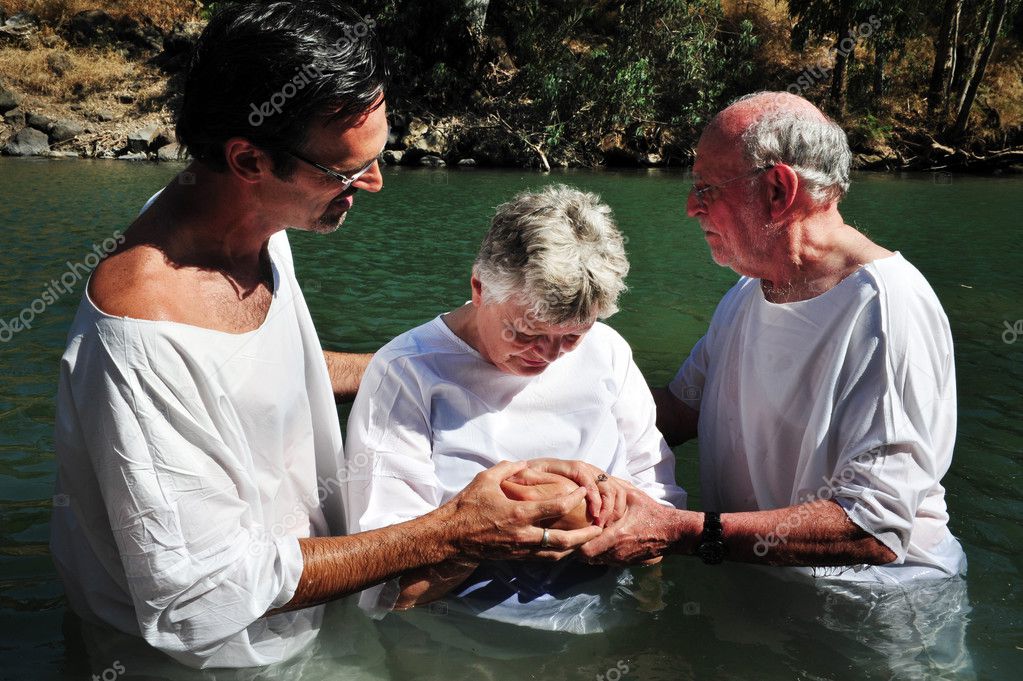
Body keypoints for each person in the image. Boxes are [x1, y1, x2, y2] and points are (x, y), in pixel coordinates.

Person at [49, 2, 604, 669]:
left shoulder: (249, 223)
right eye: (346, 171)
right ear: (248, 158)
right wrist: (451, 532)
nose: (374, 182)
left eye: (377, 155)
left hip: (311, 612)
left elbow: (255, 374)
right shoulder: (140, 340)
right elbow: (198, 597)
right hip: (215, 663)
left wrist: (428, 364)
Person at [576, 91, 967, 585]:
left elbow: (872, 529)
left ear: (779, 190)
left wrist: (680, 533)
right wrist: (546, 404)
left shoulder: (886, 309)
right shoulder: (750, 290)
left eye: (706, 188)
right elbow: (677, 410)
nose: (691, 207)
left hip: (877, 610)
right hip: (760, 589)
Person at [344, 185, 686, 631]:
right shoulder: (407, 373)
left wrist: (582, 512)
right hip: (462, 634)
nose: (548, 355)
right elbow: (388, 588)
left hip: (605, 615)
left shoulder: (607, 350)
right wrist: (482, 533)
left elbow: (662, 515)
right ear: (479, 288)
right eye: (526, 334)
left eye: (571, 337)